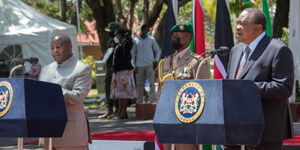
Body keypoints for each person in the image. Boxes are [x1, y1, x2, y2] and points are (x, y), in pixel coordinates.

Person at [226, 8, 294, 150]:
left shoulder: (278, 50)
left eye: (243, 23)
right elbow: (231, 83)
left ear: (258, 28)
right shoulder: (236, 50)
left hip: (264, 131)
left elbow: (284, 88)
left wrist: (248, 88)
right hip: (234, 128)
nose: (238, 27)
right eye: (237, 23)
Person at [159, 22, 209, 150]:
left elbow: (205, 90)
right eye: (173, 36)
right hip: (168, 114)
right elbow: (161, 88)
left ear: (188, 38)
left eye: (178, 36)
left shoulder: (196, 61)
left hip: (187, 115)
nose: (174, 38)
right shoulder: (165, 62)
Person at [39, 34, 92, 150]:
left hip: (71, 134)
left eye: (59, 47)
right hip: (48, 133)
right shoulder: (45, 70)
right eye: (52, 48)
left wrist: (53, 91)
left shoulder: (82, 69)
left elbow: (78, 97)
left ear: (70, 46)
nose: (55, 51)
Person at [110, 27, 137, 119]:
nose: (115, 37)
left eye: (116, 35)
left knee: (124, 93)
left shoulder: (126, 43)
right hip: (120, 71)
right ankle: (121, 112)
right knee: (120, 94)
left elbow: (124, 57)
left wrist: (116, 66)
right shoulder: (121, 44)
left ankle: (122, 112)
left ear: (120, 35)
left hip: (124, 71)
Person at [132, 24, 161, 104]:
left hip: (149, 64)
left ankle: (151, 100)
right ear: (142, 30)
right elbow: (133, 53)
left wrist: (156, 60)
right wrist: (134, 65)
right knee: (139, 84)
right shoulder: (136, 40)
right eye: (146, 30)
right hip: (139, 65)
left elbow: (157, 50)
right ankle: (139, 101)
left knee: (152, 83)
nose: (148, 32)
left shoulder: (152, 40)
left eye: (148, 30)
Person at [98, 22, 121, 119]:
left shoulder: (113, 41)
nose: (108, 33)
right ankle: (115, 110)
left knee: (109, 88)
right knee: (115, 89)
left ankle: (111, 110)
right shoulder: (119, 40)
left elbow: (110, 54)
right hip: (115, 68)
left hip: (112, 69)